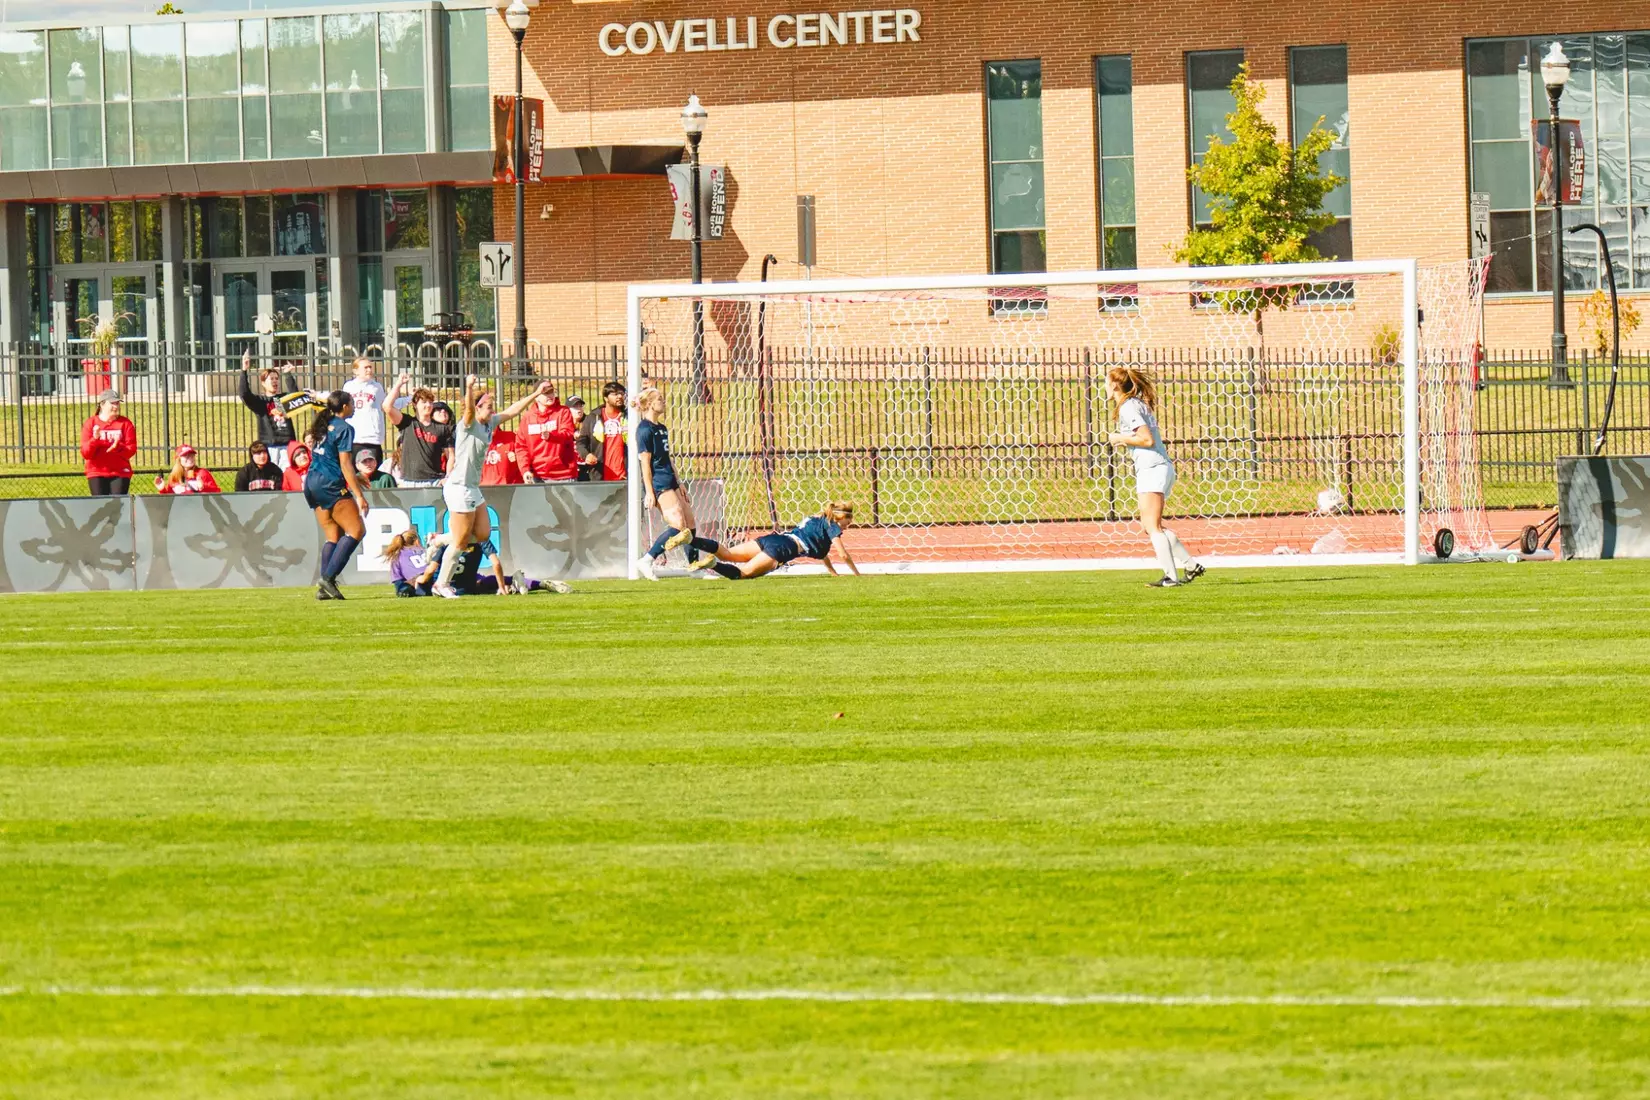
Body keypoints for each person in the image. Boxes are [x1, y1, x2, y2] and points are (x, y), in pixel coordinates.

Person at [431, 375, 549, 599]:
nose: (492, 411)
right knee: (461, 540)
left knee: (482, 534)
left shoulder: (489, 424)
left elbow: (513, 411)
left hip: (473, 488)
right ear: (477, 408)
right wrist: (468, 387)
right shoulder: (468, 424)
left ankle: (437, 540)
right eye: (487, 406)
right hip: (458, 487)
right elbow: (466, 410)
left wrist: (536, 394)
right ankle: (441, 583)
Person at [1105, 366, 1204, 588]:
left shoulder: (1128, 407)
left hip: (1153, 468)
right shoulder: (1136, 404)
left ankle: (1171, 577)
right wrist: (1125, 438)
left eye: (1105, 381)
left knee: (1152, 526)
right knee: (1151, 525)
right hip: (1158, 467)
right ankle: (1190, 565)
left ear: (1114, 385)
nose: (1104, 386)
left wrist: (1119, 437)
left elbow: (1147, 440)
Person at [304, 391, 370, 601]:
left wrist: (356, 477)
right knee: (357, 530)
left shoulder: (323, 423)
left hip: (312, 481)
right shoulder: (344, 428)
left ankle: (324, 588)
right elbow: (344, 463)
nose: (353, 406)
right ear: (344, 407)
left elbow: (328, 458)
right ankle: (328, 578)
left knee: (333, 535)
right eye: (351, 403)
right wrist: (359, 496)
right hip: (330, 483)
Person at [633, 386, 703, 580]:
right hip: (658, 482)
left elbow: (668, 458)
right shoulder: (644, 430)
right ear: (649, 404)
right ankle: (647, 559)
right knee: (679, 524)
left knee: (689, 523)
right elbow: (645, 463)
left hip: (670, 479)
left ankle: (694, 566)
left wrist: (679, 482)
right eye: (660, 399)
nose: (663, 402)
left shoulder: (661, 428)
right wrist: (649, 491)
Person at [690, 502, 859, 581]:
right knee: (743, 574)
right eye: (847, 523)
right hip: (784, 549)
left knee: (727, 553)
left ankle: (691, 539)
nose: (847, 527)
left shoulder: (815, 519)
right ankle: (712, 565)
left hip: (774, 538)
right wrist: (857, 575)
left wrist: (832, 572)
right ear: (839, 518)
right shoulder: (833, 527)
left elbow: (824, 555)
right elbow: (843, 555)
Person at [413, 531, 569, 597]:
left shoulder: (449, 543)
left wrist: (421, 580)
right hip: (470, 583)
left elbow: (430, 570)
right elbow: (496, 564)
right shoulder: (482, 539)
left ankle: (511, 588)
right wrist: (501, 586)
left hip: (455, 588)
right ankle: (537, 584)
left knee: (421, 587)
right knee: (487, 581)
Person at [237, 350, 311, 467]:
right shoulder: (260, 402)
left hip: (287, 444)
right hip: (269, 445)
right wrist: (244, 370)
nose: (275, 381)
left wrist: (287, 375)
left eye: (276, 378)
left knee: (287, 475)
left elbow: (295, 397)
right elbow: (244, 394)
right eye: (271, 379)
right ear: (263, 383)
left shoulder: (282, 399)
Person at [382, 373, 454, 487]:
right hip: (409, 481)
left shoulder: (442, 428)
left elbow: (450, 455)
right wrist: (399, 383)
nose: (428, 405)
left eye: (430, 402)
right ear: (415, 404)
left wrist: (448, 477)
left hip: (434, 481)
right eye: (424, 402)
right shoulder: (407, 423)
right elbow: (387, 406)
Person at [519, 380, 579, 483]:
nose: (550, 395)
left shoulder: (563, 412)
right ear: (536, 396)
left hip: (564, 475)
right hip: (538, 475)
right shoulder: (528, 417)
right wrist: (525, 470)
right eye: (545, 393)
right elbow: (521, 446)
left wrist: (551, 436)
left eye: (552, 391)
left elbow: (568, 434)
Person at [80, 389, 137, 496]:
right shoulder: (91, 423)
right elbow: (86, 453)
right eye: (112, 403)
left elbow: (131, 450)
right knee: (101, 507)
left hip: (120, 472)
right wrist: (95, 439)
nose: (116, 406)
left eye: (117, 403)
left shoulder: (125, 423)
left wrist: (118, 447)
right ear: (102, 404)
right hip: (96, 471)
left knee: (117, 507)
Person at [577, 382, 629, 482]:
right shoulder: (594, 417)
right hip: (600, 475)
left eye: (621, 394)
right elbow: (581, 442)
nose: (619, 396)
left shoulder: (629, 417)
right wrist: (586, 455)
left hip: (624, 475)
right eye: (614, 394)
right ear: (606, 398)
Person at [341, 357, 387, 466]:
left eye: (370, 367)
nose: (369, 370)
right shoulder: (349, 386)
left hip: (372, 439)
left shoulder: (376, 387)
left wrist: (408, 399)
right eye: (365, 367)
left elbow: (386, 404)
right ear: (355, 371)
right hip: (355, 439)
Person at [383, 527, 435, 597]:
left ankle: (406, 591)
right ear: (417, 540)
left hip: (416, 581)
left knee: (401, 586)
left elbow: (398, 580)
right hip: (432, 577)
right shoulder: (425, 550)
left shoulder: (396, 557)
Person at [154, 444, 221, 495]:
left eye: (192, 455)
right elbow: (169, 501)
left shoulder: (202, 473)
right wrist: (162, 489)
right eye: (186, 456)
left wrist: (203, 488)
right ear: (178, 459)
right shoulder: (174, 477)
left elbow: (217, 493)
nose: (190, 458)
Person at [483, 422, 525, 486]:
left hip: (509, 487)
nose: (490, 427)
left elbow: (525, 455)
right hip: (483, 487)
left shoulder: (511, 437)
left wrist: (517, 457)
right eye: (486, 424)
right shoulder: (475, 441)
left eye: (493, 422)